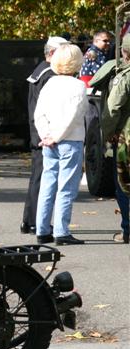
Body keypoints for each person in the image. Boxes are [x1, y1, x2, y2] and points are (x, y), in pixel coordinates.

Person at [34, 44, 88, 245]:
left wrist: (46, 135)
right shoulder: (78, 86)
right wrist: (56, 136)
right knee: (66, 188)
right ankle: (61, 231)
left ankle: (42, 229)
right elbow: (73, 116)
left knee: (47, 185)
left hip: (48, 142)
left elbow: (39, 114)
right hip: (70, 141)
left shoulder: (49, 83)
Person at [21, 36, 69, 235]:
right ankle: (34, 222)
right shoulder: (49, 74)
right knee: (42, 180)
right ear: (52, 53)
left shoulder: (40, 70)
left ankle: (29, 221)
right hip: (45, 133)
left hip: (37, 131)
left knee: (38, 178)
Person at [100, 34, 130, 244]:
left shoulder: (125, 77)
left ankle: (127, 230)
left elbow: (113, 108)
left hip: (126, 138)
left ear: (124, 52)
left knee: (124, 184)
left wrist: (107, 134)